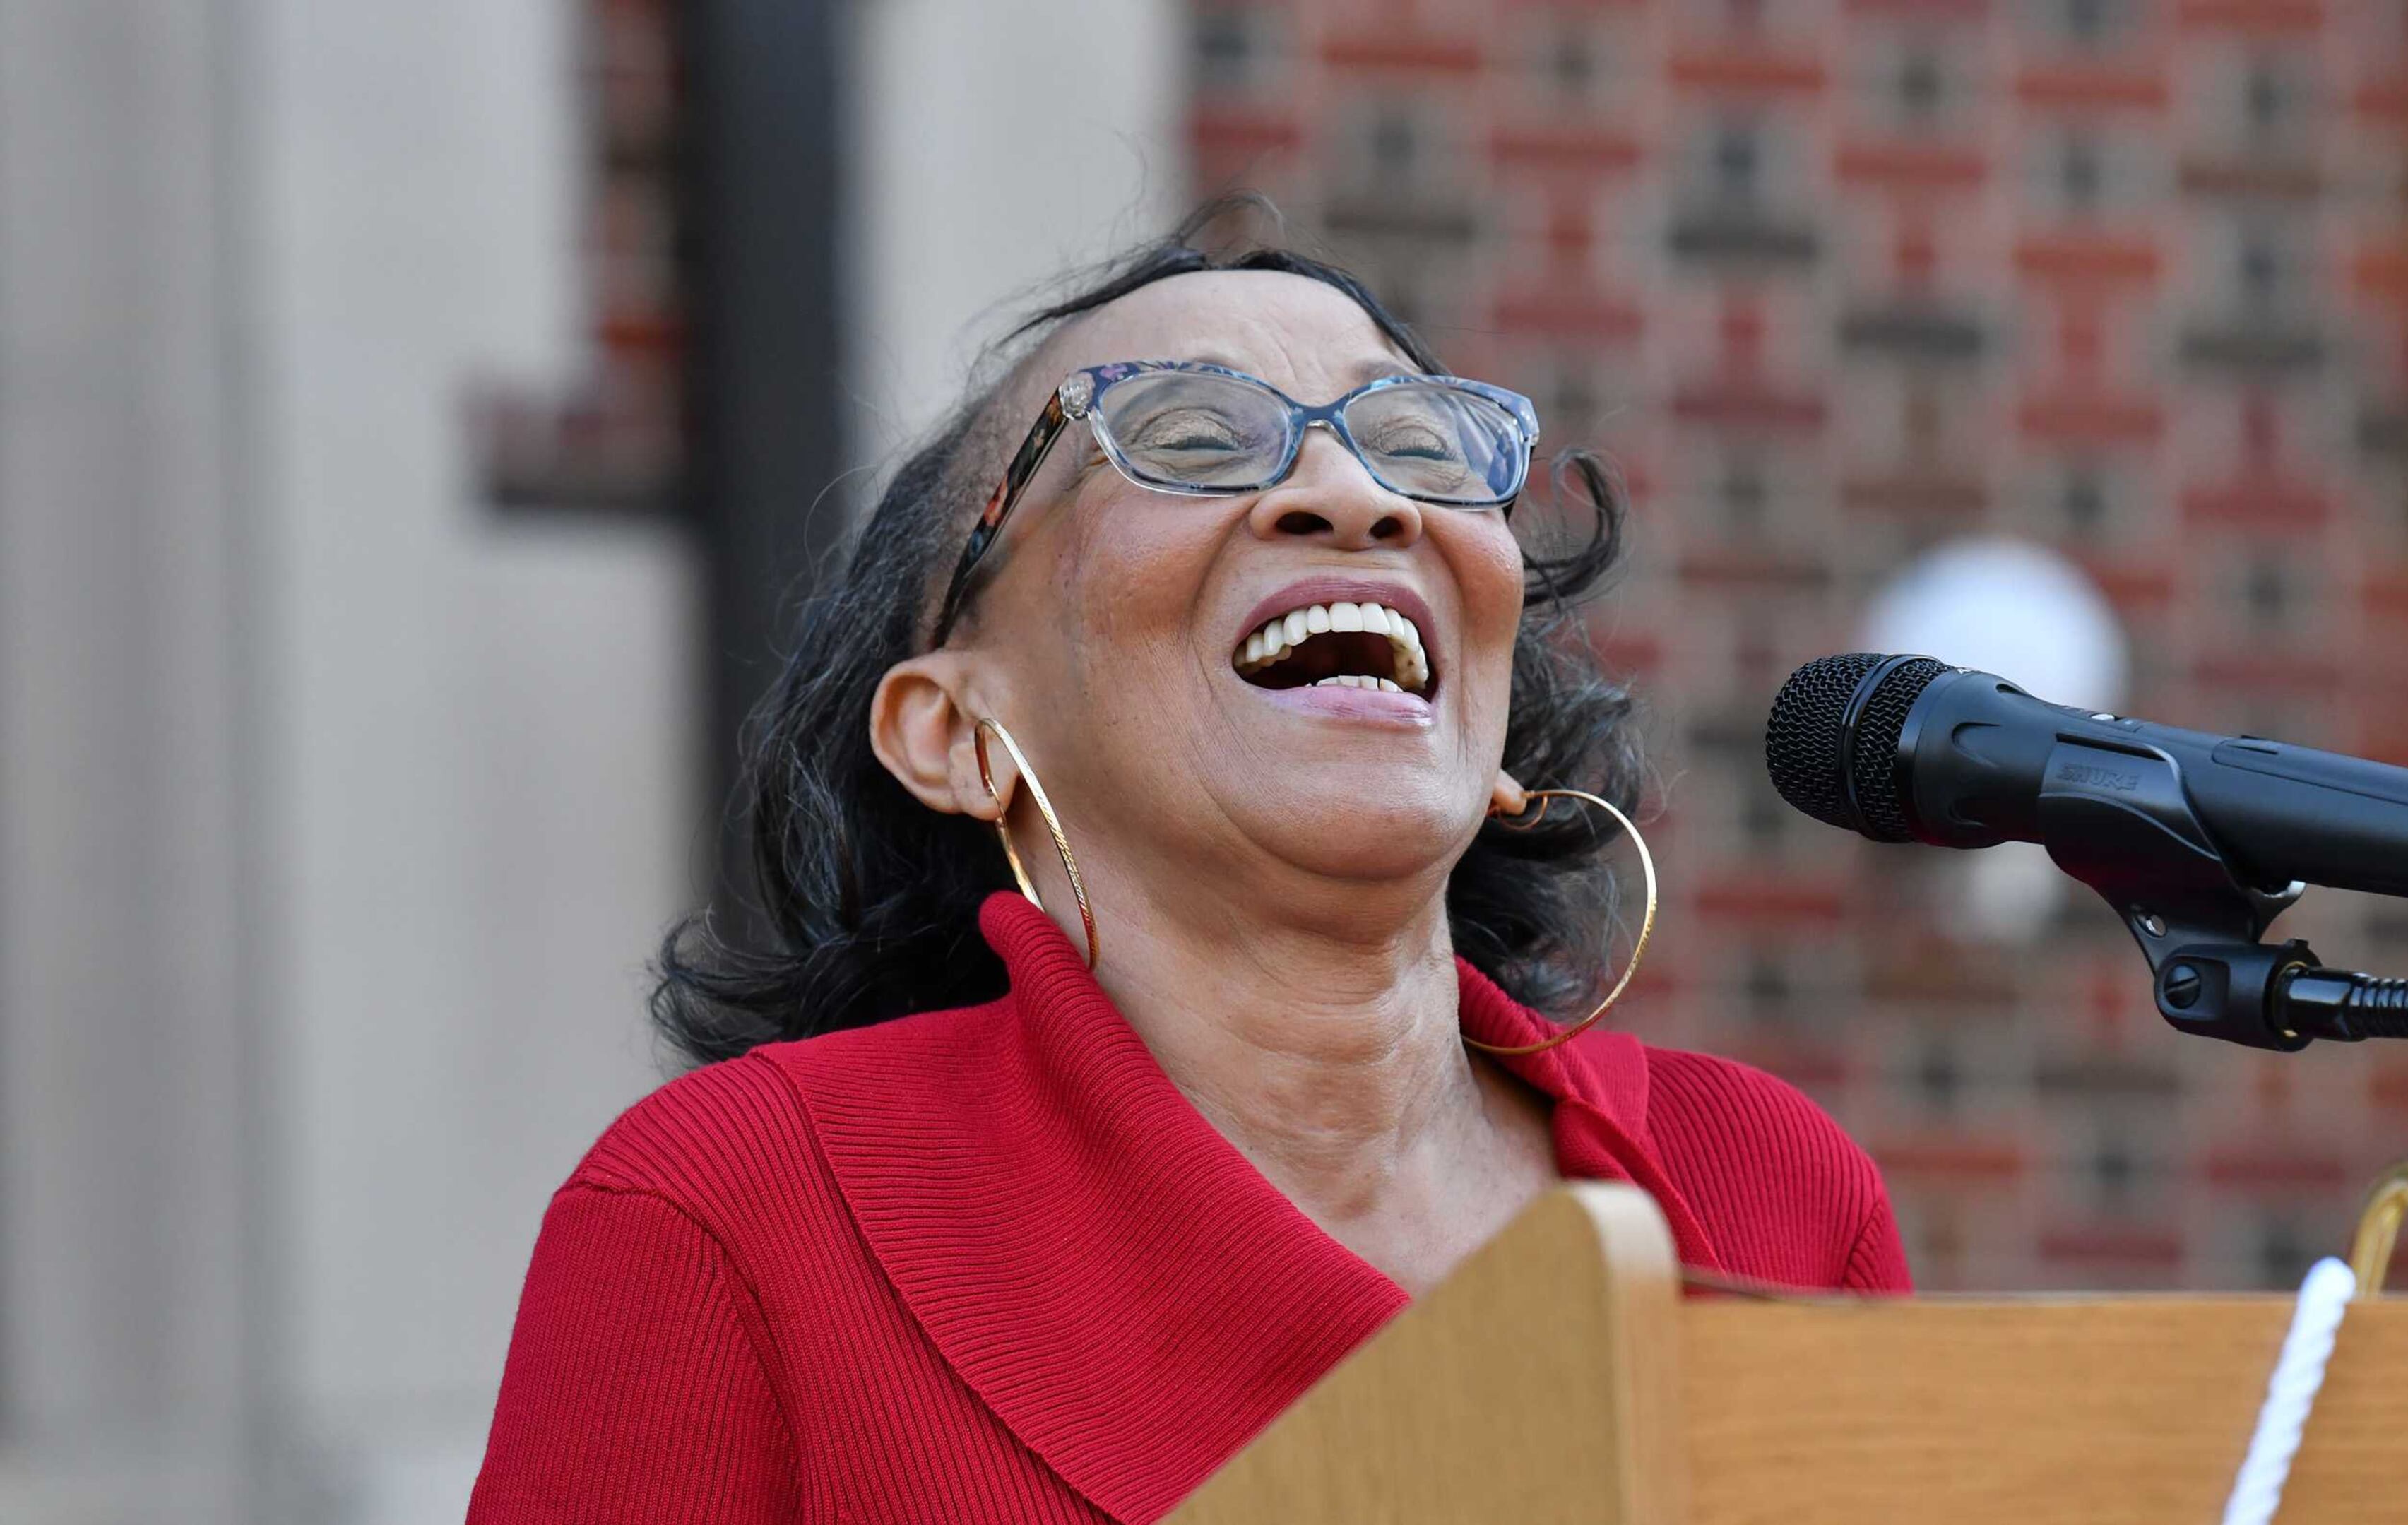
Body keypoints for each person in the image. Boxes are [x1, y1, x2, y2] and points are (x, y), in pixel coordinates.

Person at [467, 205, 1907, 1525]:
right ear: (958, 728)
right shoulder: (734, 1216)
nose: (1354, 495)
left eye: (1420, 445)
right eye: (1192, 436)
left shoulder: (1774, 1192)